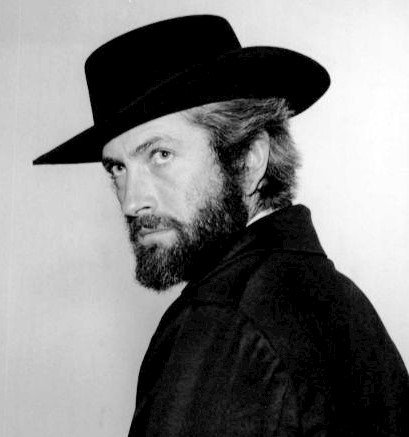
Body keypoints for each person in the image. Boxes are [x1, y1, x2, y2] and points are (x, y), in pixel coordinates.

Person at [34, 15, 409, 436]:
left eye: (160, 155)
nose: (132, 201)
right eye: (117, 168)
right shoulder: (335, 297)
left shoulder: (225, 322)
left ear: (248, 160)